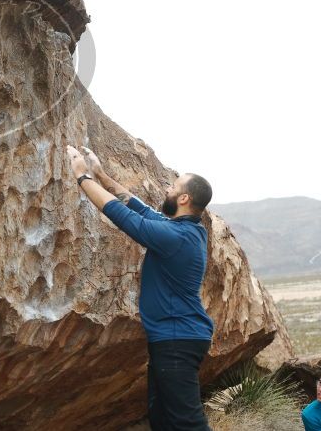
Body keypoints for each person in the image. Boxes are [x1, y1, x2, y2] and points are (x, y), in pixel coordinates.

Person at [65, 144, 214, 431]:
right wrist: (102, 175)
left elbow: (124, 216)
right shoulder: (187, 230)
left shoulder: (176, 236)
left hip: (177, 341)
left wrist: (82, 177)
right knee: (161, 419)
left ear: (183, 198)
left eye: (172, 186)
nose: (166, 190)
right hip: (174, 340)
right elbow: (138, 207)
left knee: (187, 423)